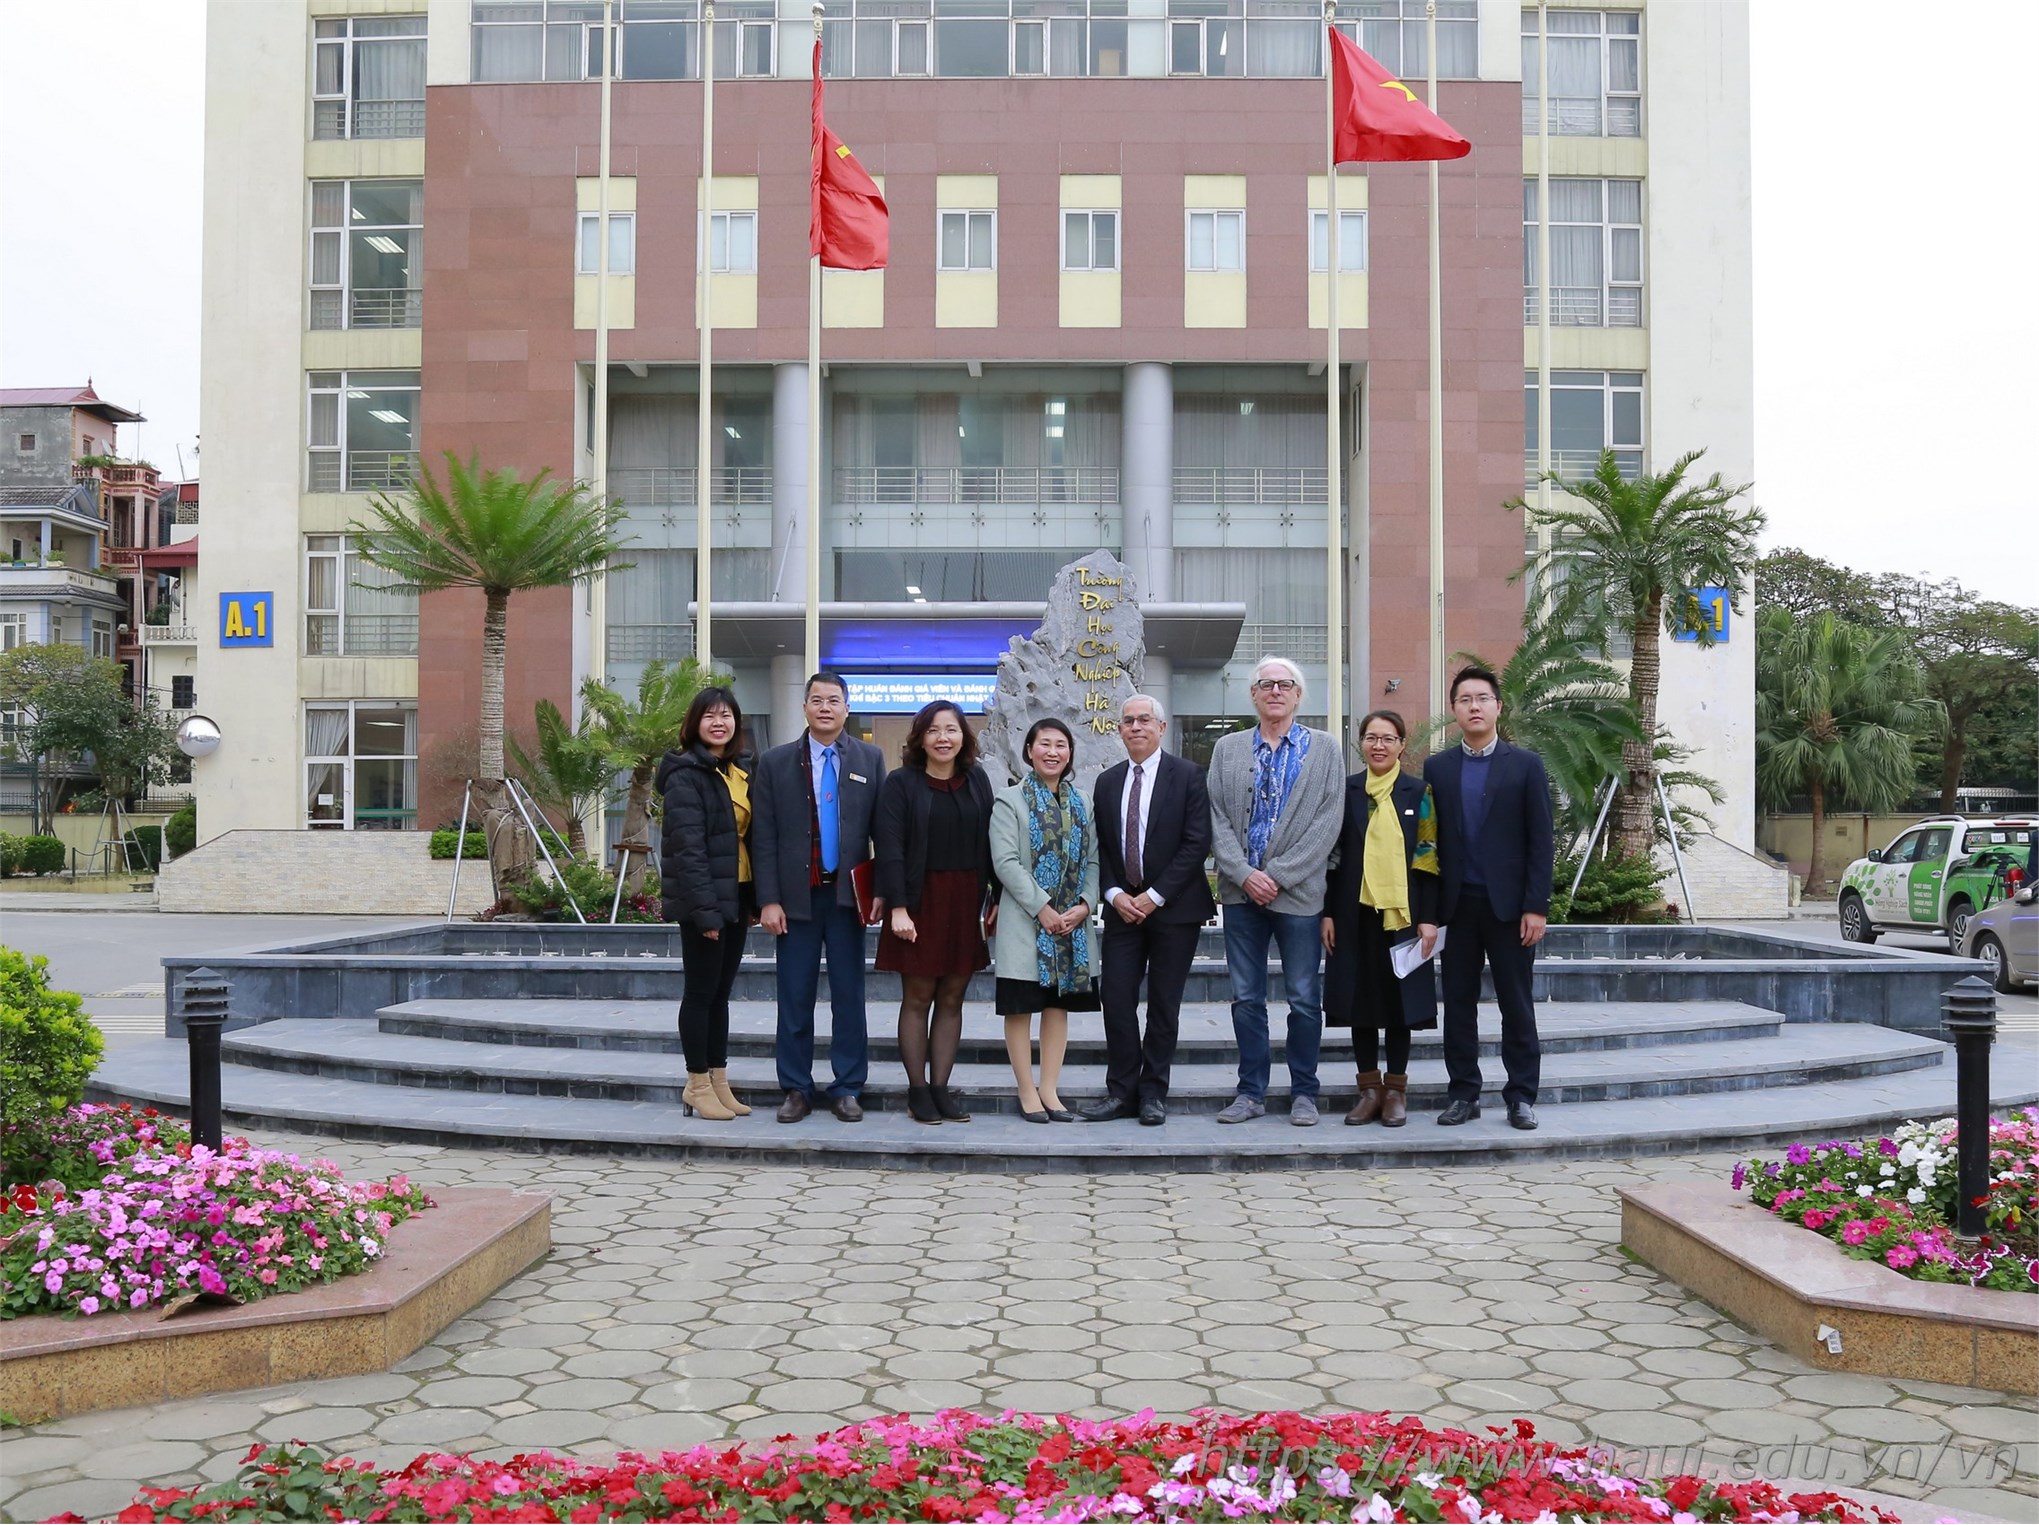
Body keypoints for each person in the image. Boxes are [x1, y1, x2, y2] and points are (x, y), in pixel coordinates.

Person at [1207, 656, 1344, 1126]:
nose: (1276, 692)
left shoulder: (1325, 750)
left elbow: (1328, 822)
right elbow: (1216, 819)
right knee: (1247, 998)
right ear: (1253, 695)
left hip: (1300, 896)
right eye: (1266, 685)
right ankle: (1251, 1093)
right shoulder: (1226, 749)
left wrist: (1279, 875)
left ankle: (1304, 1091)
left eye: (1285, 685)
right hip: (1241, 895)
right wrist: (1245, 874)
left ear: (1299, 695)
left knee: (1305, 997)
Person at [1422, 664, 1555, 1130]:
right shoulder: (1437, 768)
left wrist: (1536, 906)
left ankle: (1521, 1095)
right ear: (1454, 709)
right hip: (1457, 908)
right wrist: (1429, 914)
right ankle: (1464, 1093)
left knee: (1516, 1003)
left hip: (1511, 909)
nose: (1474, 706)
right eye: (1464, 700)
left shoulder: (1525, 765)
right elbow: (1429, 844)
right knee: (1457, 1003)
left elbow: (1542, 841)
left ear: (1498, 706)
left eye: (1482, 698)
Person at [750, 672, 886, 1123]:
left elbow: (883, 834)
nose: (825, 707)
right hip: (795, 901)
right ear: (804, 707)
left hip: (848, 901)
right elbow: (763, 837)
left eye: (834, 700)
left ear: (847, 708)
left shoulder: (869, 758)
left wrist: (882, 892)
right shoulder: (774, 763)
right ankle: (795, 1087)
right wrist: (768, 899)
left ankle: (847, 1086)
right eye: (816, 700)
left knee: (850, 996)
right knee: (794, 997)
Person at [1080, 694, 1215, 1127]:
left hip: (1174, 910)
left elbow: (1197, 842)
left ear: (1161, 727)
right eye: (1127, 721)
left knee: (1163, 1005)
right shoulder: (1107, 781)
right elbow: (1099, 846)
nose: (1135, 727)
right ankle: (1120, 1091)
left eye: (1144, 720)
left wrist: (1154, 895)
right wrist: (1116, 893)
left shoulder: (1190, 775)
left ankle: (1153, 1091)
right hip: (1122, 910)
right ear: (1119, 730)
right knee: (1116, 999)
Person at [873, 700, 997, 1125]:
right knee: (919, 996)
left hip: (965, 901)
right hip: (919, 900)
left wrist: (994, 898)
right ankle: (918, 1090)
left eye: (952, 729)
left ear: (964, 736)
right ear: (920, 738)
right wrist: (899, 907)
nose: (943, 738)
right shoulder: (900, 783)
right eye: (934, 730)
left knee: (952, 997)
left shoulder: (977, 780)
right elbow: (888, 848)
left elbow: (992, 842)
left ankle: (941, 1088)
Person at [1321, 709, 1440, 1128]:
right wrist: (1328, 914)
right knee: (1360, 1002)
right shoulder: (1346, 790)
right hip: (1354, 915)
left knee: (1399, 1006)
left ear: (1402, 745)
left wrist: (1428, 919)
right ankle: (1368, 1091)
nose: (1378, 745)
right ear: (1361, 744)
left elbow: (1428, 859)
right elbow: (1332, 859)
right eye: (1371, 738)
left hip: (1403, 919)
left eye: (1388, 738)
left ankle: (1395, 1092)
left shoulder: (1418, 792)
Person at [989, 718, 1099, 1123]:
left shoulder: (1082, 802)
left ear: (1070, 753)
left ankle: (1050, 1089)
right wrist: (1043, 907)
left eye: (1061, 745)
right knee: (1021, 1009)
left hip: (1071, 925)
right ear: (1030, 751)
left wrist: (1085, 904)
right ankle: (1026, 1089)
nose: (1053, 752)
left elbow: (1093, 860)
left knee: (1057, 1008)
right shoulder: (1010, 800)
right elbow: (1006, 862)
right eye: (1045, 744)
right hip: (1026, 921)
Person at [658, 686, 758, 1123]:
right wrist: (704, 910)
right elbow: (688, 849)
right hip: (706, 899)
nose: (719, 722)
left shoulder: (737, 770)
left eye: (727, 715)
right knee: (700, 993)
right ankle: (696, 1083)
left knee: (720, 994)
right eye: (709, 716)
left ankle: (718, 1079)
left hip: (736, 893)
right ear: (694, 723)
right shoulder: (685, 775)